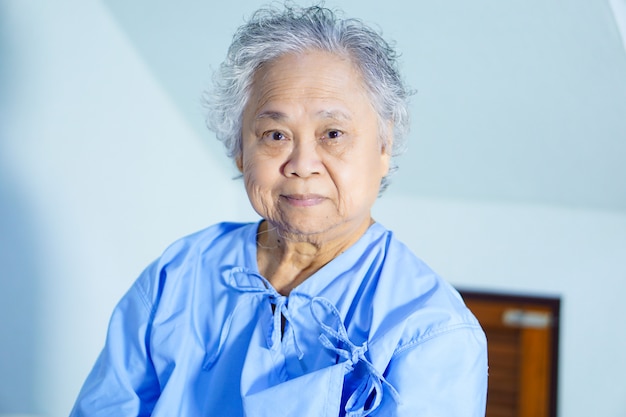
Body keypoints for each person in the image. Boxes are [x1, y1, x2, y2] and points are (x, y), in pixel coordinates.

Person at [70, 4, 488, 416]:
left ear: (384, 146)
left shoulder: (431, 331)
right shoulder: (178, 274)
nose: (302, 164)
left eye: (333, 133)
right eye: (275, 134)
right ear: (239, 150)